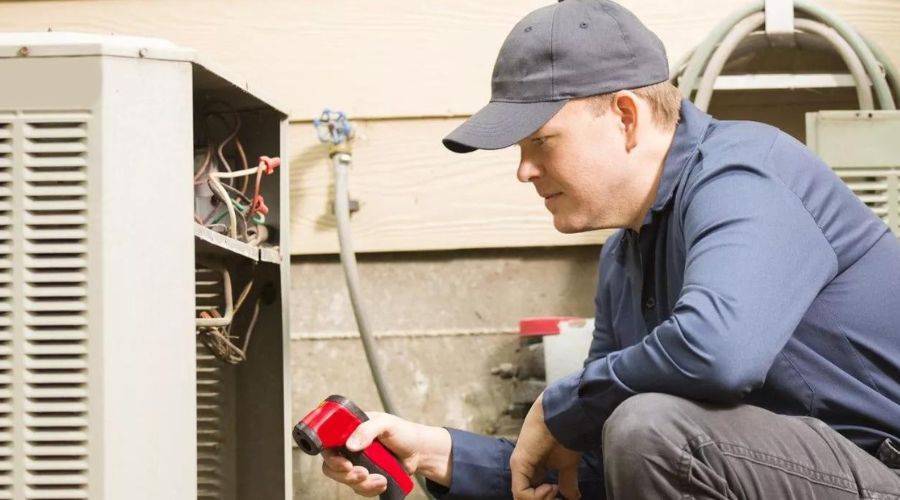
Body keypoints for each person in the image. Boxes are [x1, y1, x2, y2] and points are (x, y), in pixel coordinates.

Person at [319, 0, 900, 498]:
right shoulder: (623, 257)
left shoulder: (745, 173)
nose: (524, 171)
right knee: (636, 430)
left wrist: (560, 403)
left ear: (625, 116)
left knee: (648, 426)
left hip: (883, 469)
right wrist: (440, 454)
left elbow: (718, 354)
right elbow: (597, 470)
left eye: (542, 141)